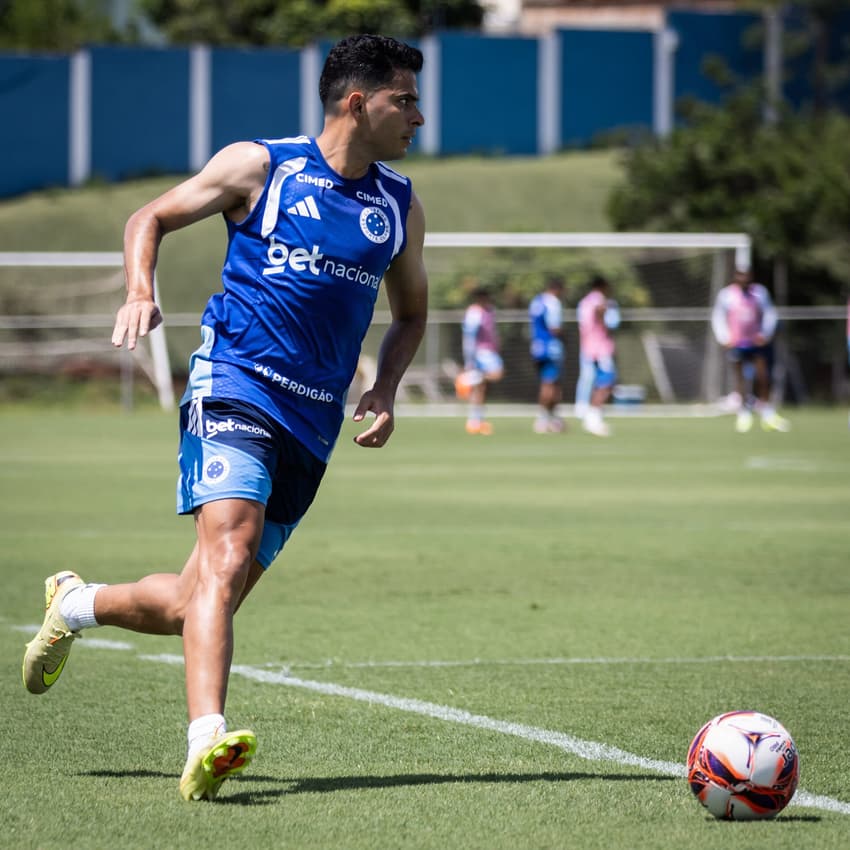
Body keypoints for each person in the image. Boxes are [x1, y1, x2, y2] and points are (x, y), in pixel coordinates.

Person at [21, 34, 428, 802]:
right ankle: (208, 742)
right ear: (356, 101)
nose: (418, 116)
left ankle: (75, 602)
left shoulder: (397, 204)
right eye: (404, 99)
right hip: (234, 383)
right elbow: (150, 215)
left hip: (312, 425)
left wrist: (385, 390)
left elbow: (411, 314)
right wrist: (140, 289)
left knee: (193, 598)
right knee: (230, 552)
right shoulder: (262, 166)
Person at [711, 268, 790, 433]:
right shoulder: (727, 295)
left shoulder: (759, 292)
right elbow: (718, 316)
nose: (744, 280)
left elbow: (769, 313)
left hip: (756, 342)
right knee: (739, 378)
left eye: (747, 276)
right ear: (735, 278)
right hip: (737, 343)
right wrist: (724, 337)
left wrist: (764, 334)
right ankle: (743, 413)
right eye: (741, 276)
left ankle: (767, 412)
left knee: (762, 376)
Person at [576, 275, 619, 437]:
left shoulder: (584, 302)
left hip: (589, 349)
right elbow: (607, 324)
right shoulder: (601, 302)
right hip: (600, 349)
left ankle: (592, 414)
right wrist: (602, 314)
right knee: (607, 382)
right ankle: (592, 417)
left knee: (599, 382)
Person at [459, 286, 503, 435]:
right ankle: (469, 379)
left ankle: (476, 421)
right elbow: (469, 338)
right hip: (481, 353)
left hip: (489, 351)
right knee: (497, 375)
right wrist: (469, 360)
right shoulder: (474, 313)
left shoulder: (489, 310)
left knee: (481, 388)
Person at [528, 276, 566, 433]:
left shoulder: (536, 301)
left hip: (537, 347)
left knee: (548, 382)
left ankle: (552, 418)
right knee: (551, 384)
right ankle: (545, 419)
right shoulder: (553, 302)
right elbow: (554, 327)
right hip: (551, 348)